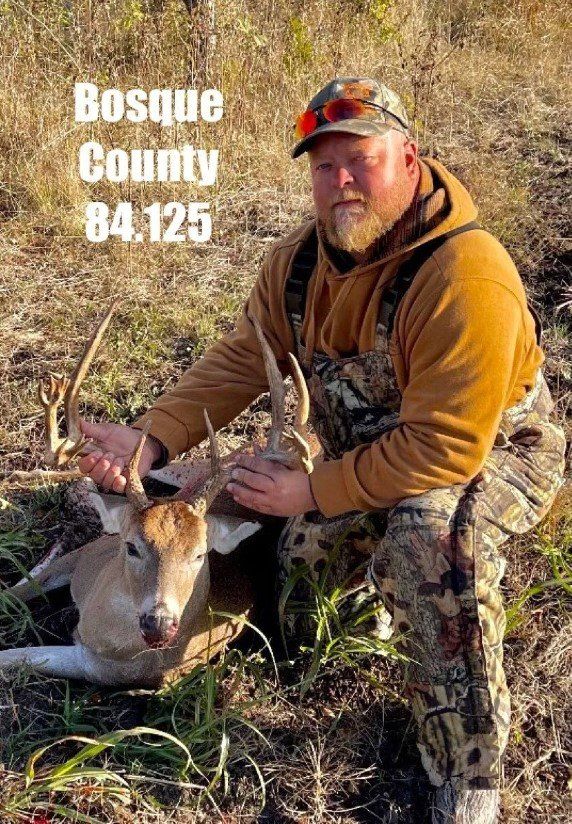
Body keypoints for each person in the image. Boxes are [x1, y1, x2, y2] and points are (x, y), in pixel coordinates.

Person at [78, 77, 566, 823]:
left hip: (488, 452)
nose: (340, 182)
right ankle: (366, 617)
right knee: (299, 596)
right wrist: (155, 437)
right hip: (367, 449)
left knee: (430, 542)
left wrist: (314, 491)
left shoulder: (467, 278)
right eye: (323, 165)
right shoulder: (299, 263)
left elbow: (445, 447)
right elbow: (245, 358)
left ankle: (469, 778)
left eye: (360, 160)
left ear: (408, 158)